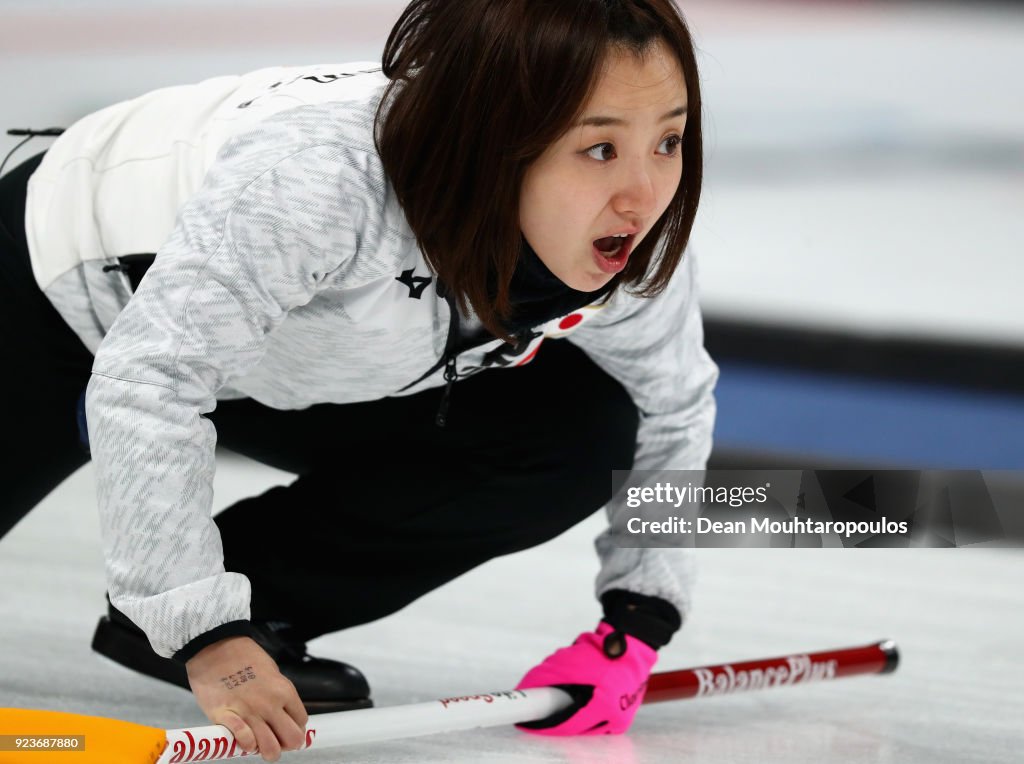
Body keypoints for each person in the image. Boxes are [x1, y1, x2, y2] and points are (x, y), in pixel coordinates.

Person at [0, 0, 716, 759]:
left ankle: (255, 600)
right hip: (61, 295)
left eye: (668, 139)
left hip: (297, 353)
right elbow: (153, 375)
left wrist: (635, 626)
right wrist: (201, 631)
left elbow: (672, 405)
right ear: (494, 140)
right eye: (600, 149)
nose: (643, 195)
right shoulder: (317, 181)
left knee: (584, 430)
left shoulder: (626, 248)